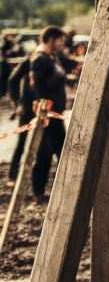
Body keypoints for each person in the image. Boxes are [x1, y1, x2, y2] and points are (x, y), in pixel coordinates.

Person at [7, 26, 72, 203]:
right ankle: (23, 182)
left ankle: (61, 187)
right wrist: (19, 102)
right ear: (51, 39)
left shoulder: (53, 57)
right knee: (33, 147)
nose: (62, 43)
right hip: (39, 111)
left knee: (55, 149)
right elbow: (20, 81)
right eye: (60, 40)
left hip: (51, 111)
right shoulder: (38, 58)